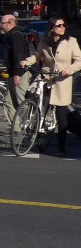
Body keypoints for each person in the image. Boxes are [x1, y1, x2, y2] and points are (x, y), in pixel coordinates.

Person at [36, 17, 81, 154]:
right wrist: (26, 61)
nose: (62, 27)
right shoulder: (45, 41)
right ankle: (34, 125)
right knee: (30, 95)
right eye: (59, 25)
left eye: (63, 25)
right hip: (47, 77)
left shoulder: (71, 41)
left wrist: (70, 69)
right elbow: (37, 56)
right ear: (52, 28)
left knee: (61, 115)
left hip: (62, 80)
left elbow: (79, 61)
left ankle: (62, 146)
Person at [0, 13, 35, 117]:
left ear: (10, 23)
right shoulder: (10, 35)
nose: (0, 25)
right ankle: (14, 126)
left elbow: (19, 55)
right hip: (13, 73)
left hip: (20, 74)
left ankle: (28, 123)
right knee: (8, 101)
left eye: (2, 23)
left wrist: (17, 73)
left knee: (22, 103)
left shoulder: (16, 35)